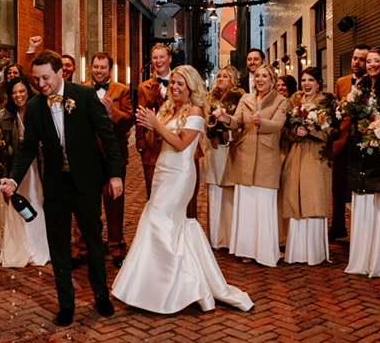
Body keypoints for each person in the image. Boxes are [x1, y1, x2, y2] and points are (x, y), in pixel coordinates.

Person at [112, 66, 253, 314]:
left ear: (190, 86)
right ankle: (154, 284)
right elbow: (157, 143)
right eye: (173, 83)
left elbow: (180, 144)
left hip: (180, 175)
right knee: (158, 221)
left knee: (158, 220)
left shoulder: (197, 111)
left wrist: (157, 123)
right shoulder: (168, 109)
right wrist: (150, 125)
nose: (174, 88)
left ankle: (177, 285)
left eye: (180, 84)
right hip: (162, 171)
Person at [0, 51, 124, 327]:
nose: (41, 84)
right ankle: (66, 304)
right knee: (58, 246)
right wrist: (14, 180)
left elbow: (108, 138)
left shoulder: (85, 96)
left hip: (86, 182)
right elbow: (28, 149)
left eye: (45, 78)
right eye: (37, 79)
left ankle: (101, 296)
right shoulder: (34, 108)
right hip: (55, 184)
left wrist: (115, 175)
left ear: (60, 73)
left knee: (92, 241)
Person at [217, 63, 287, 267]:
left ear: (272, 80)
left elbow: (278, 125)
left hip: (267, 157)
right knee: (246, 204)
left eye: (265, 76)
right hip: (245, 156)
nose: (260, 79)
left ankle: (264, 251)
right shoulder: (245, 99)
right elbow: (237, 121)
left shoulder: (280, 101)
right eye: (257, 76)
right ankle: (246, 250)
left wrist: (260, 122)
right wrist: (225, 119)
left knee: (263, 204)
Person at [345, 47, 380, 279]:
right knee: (363, 203)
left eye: (376, 61)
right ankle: (362, 259)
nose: (371, 65)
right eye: (368, 61)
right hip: (361, 154)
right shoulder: (362, 86)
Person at [78, 52, 133, 269]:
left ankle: (116, 247)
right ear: (90, 68)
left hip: (113, 156)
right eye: (95, 67)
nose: (99, 71)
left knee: (114, 204)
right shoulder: (81, 90)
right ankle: (81, 248)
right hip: (88, 156)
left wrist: (113, 112)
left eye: (103, 67)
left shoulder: (122, 90)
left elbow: (129, 121)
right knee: (84, 204)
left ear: (110, 69)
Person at [280, 66, 336, 265]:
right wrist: (296, 131)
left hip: (318, 156)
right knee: (295, 199)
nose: (307, 84)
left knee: (313, 198)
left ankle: (314, 252)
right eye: (304, 80)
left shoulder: (328, 102)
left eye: (311, 80)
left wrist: (314, 130)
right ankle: (296, 251)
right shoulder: (293, 102)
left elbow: (334, 132)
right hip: (296, 155)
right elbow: (284, 130)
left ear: (319, 82)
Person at [0, 77, 50, 268]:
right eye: (14, 93)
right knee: (17, 203)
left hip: (37, 164)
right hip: (15, 166)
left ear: (28, 91)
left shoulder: (40, 110)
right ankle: (19, 245)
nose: (18, 96)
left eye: (22, 91)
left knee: (36, 200)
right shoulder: (5, 115)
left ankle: (38, 245)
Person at [329, 45, 371, 241]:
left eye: (362, 59)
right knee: (338, 186)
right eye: (355, 58)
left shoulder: (374, 84)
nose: (357, 62)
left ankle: (363, 233)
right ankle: (337, 227)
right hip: (343, 141)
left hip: (365, 141)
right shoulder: (342, 82)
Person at [204, 65, 244, 249]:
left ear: (233, 79)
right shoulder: (210, 99)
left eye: (225, 76)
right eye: (219, 76)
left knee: (230, 192)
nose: (220, 79)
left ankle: (230, 237)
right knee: (214, 191)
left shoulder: (240, 97)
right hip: (214, 148)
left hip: (231, 148)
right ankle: (215, 238)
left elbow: (243, 123)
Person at [136, 44, 172, 198]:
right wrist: (141, 144)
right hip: (153, 147)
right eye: (155, 57)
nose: (158, 61)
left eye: (162, 57)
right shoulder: (144, 87)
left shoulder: (181, 83)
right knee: (155, 195)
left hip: (175, 144)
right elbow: (140, 117)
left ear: (169, 59)